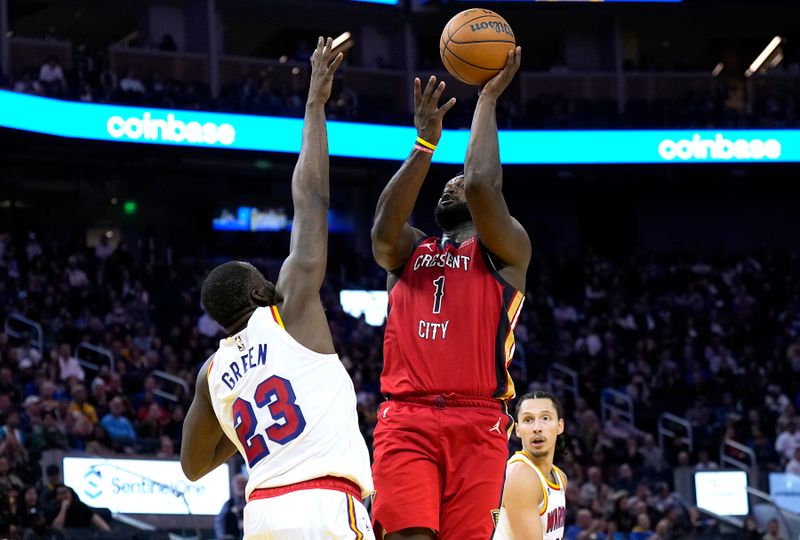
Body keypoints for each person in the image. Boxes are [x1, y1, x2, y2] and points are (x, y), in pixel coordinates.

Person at [180, 37, 373, 539]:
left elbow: (193, 465)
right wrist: (314, 101)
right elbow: (312, 198)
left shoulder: (211, 373)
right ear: (262, 293)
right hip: (326, 504)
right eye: (264, 277)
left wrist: (238, 435)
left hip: (263, 514)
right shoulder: (290, 311)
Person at [370, 46, 529, 539]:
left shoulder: (506, 248)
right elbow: (381, 230)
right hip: (407, 417)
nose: (448, 187)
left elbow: (482, 184)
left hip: (479, 421)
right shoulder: (410, 249)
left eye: (454, 184)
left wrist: (487, 99)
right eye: (444, 184)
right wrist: (423, 146)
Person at [494, 391, 568, 540]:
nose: (537, 428)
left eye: (545, 418)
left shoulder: (560, 477)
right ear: (518, 430)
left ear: (560, 426)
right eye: (528, 420)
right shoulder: (520, 476)